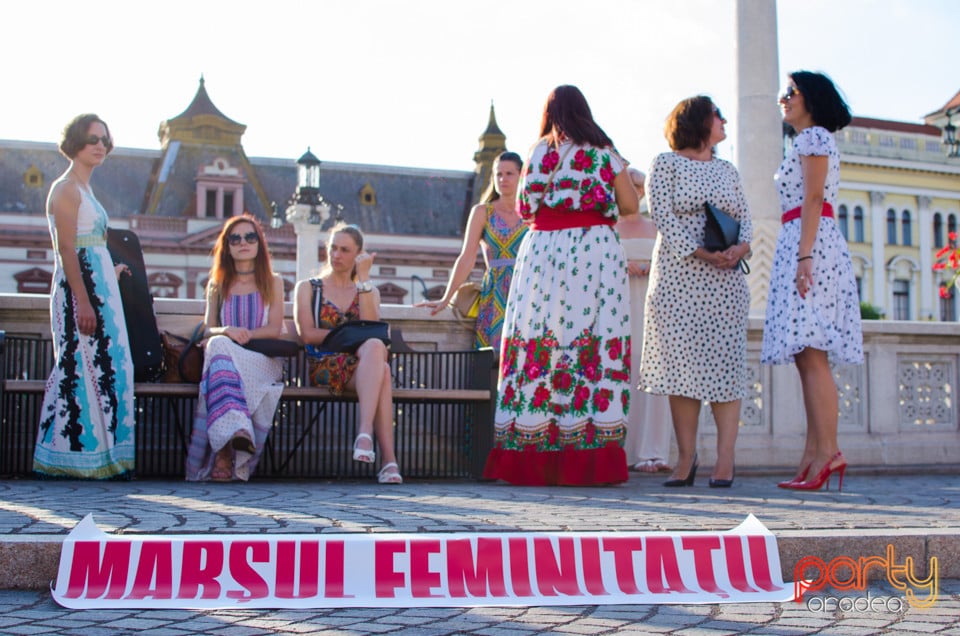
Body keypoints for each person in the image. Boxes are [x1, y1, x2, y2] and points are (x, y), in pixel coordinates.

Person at [482, 85, 639, 486]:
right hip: (596, 252)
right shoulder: (605, 152)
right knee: (593, 340)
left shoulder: (539, 151)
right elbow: (630, 206)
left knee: (542, 340)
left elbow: (524, 208)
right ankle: (589, 450)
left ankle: (533, 448)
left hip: (545, 253)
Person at [639, 95, 753, 489]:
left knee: (726, 367)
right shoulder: (665, 163)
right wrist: (701, 251)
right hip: (679, 279)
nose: (724, 121)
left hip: (725, 283)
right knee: (681, 371)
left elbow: (745, 218)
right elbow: (662, 217)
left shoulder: (728, 170)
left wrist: (741, 248)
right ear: (699, 122)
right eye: (717, 115)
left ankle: (725, 459)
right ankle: (686, 458)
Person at [762, 71, 862, 492]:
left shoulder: (813, 138)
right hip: (803, 243)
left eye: (791, 92)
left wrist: (803, 257)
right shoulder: (806, 140)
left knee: (813, 353)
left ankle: (829, 452)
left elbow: (814, 199)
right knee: (806, 355)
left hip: (810, 245)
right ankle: (813, 454)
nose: (783, 99)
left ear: (811, 99)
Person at [34, 113, 135, 479]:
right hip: (82, 291)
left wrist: (112, 273)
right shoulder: (65, 189)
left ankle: (104, 459)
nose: (100, 146)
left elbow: (93, 247)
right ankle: (70, 460)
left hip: (100, 287)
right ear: (76, 142)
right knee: (78, 368)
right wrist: (83, 300)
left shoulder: (86, 189)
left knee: (113, 368)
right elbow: (66, 249)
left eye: (105, 140)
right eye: (93, 139)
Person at [294, 223, 402, 484]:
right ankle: (387, 459)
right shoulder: (309, 288)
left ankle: (367, 438)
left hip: (363, 366)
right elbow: (307, 334)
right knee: (381, 370)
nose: (336, 255)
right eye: (333, 248)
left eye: (344, 250)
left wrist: (363, 280)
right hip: (324, 365)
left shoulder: (369, 291)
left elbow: (373, 332)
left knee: (377, 355)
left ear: (358, 254)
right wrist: (349, 338)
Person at [185, 215, 285, 482]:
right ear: (227, 246)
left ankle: (224, 454)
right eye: (236, 238)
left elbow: (275, 329)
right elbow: (209, 329)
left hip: (263, 361)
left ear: (259, 244)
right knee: (219, 349)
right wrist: (226, 331)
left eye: (250, 237)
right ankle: (233, 441)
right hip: (226, 362)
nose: (244, 243)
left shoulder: (273, 282)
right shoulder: (218, 285)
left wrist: (247, 334)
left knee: (219, 354)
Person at [419, 151, 527, 355]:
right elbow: (467, 257)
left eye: (509, 173)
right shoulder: (482, 212)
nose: (503, 179)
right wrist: (446, 297)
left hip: (527, 291)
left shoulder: (532, 212)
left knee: (527, 357)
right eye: (498, 174)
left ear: (521, 175)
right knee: (493, 359)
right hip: (495, 296)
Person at [616, 168, 673, 474]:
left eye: (639, 185)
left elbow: (674, 264)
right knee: (622, 375)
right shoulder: (607, 229)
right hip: (621, 310)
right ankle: (623, 449)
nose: (635, 191)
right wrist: (623, 266)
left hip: (655, 311)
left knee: (654, 377)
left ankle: (654, 451)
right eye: (630, 185)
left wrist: (650, 268)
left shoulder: (658, 227)